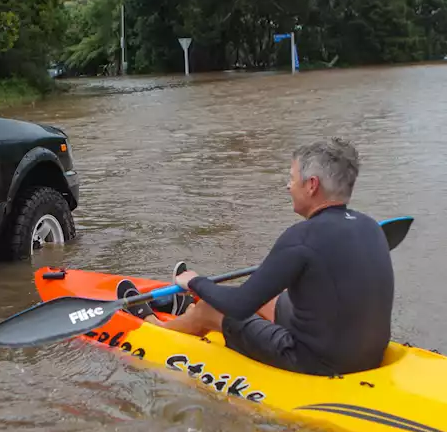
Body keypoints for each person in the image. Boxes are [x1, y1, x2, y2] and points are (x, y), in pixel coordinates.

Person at [127, 137, 394, 376]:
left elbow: (241, 305)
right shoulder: (370, 226)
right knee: (275, 299)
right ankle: (188, 309)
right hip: (368, 355)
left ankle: (156, 326)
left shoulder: (302, 237)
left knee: (211, 308)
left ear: (312, 185)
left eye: (291, 178)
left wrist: (195, 282)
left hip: (314, 362)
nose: (288, 186)